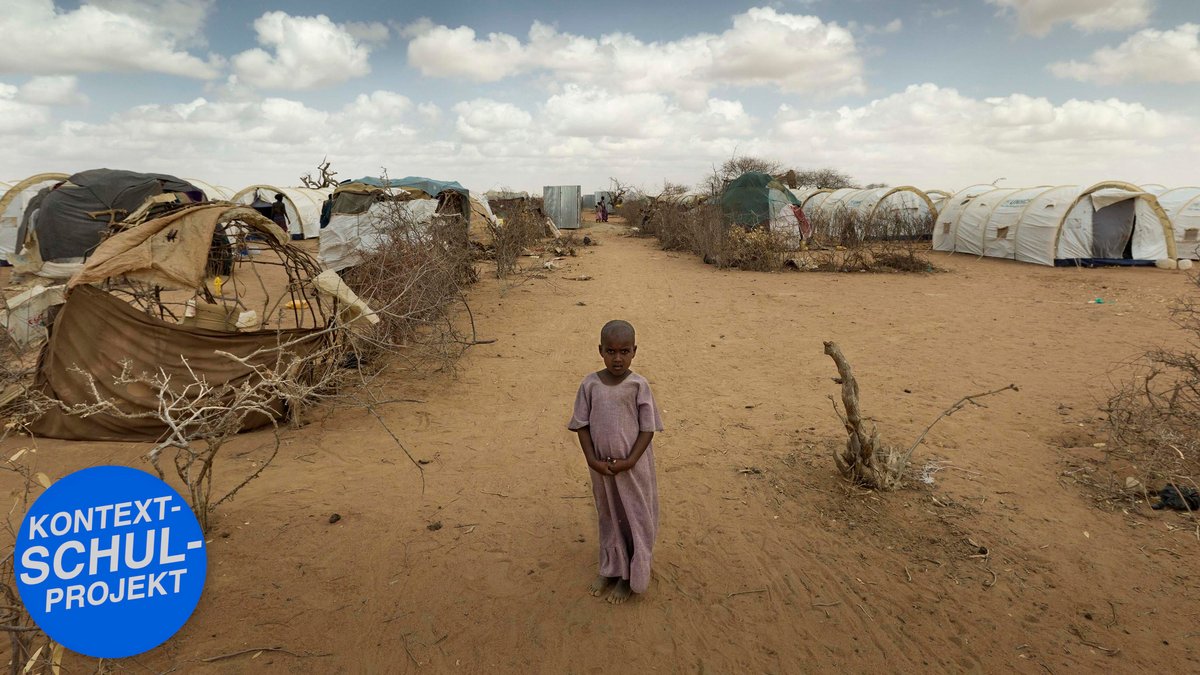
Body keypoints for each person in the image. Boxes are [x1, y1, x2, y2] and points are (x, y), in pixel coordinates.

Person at [568, 320, 663, 604]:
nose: (617, 358)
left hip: (633, 471)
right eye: (611, 351)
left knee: (634, 517)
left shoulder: (638, 386)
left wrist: (630, 461)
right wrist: (592, 460)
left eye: (624, 351)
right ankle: (611, 568)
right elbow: (581, 424)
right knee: (609, 516)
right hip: (602, 470)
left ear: (634, 351)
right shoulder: (590, 384)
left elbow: (648, 428)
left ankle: (629, 578)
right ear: (600, 350)